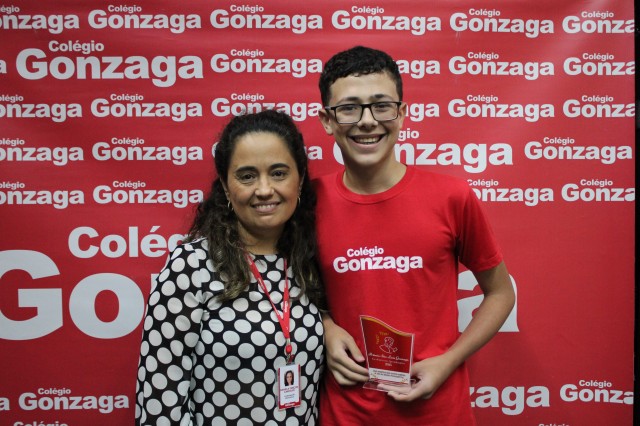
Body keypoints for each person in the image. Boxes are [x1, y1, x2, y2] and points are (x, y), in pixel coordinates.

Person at [314, 46, 516, 425]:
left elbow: (501, 293)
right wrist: (325, 328)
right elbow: (290, 292)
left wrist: (447, 362)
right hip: (346, 414)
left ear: (402, 113)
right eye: (349, 108)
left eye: (381, 106)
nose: (367, 121)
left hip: (438, 412)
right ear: (327, 120)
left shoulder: (451, 197)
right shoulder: (309, 203)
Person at [135, 110, 325, 425]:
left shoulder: (309, 260)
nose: (264, 189)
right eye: (247, 176)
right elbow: (159, 404)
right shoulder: (191, 265)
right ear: (225, 186)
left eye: (278, 173)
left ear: (301, 179)